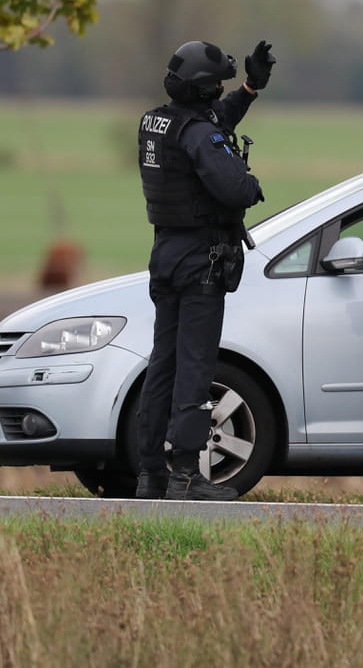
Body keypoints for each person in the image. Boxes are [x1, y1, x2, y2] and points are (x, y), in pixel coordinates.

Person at [134, 39, 275, 501]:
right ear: (201, 89)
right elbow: (233, 186)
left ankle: (151, 474)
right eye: (217, 85)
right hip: (200, 260)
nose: (221, 92)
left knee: (163, 365)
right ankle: (186, 477)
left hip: (166, 253)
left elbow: (213, 123)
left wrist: (250, 90)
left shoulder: (157, 123)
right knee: (194, 367)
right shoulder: (198, 133)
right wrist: (251, 183)